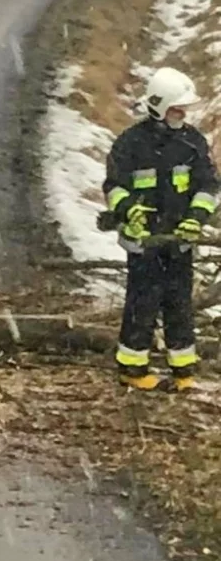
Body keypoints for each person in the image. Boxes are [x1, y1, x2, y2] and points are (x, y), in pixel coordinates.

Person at [103, 67, 217, 392]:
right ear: (158, 106)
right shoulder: (130, 144)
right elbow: (113, 186)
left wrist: (196, 216)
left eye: (184, 109)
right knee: (143, 304)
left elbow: (208, 185)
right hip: (144, 243)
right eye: (176, 108)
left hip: (179, 242)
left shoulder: (192, 142)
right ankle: (132, 369)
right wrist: (128, 209)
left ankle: (184, 371)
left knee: (179, 305)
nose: (182, 114)